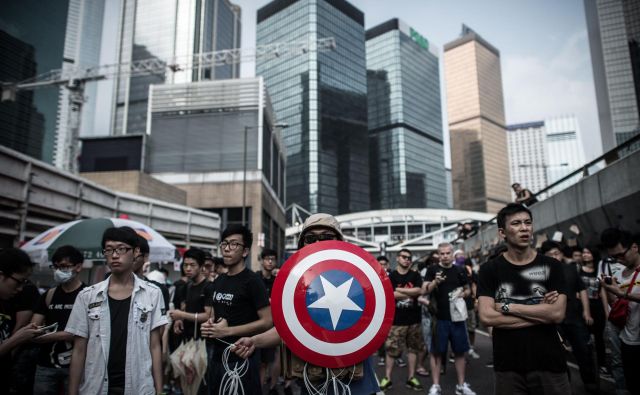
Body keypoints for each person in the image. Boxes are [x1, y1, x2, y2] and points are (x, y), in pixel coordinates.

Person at [231, 213, 381, 395]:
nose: (319, 242)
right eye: (311, 238)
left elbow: (377, 319)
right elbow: (287, 330)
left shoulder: (358, 274)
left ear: (339, 241)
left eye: (326, 237)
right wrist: (254, 341)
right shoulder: (297, 282)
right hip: (313, 382)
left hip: (354, 383)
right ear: (302, 244)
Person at [478, 203, 569, 395]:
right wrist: (541, 311)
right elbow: (486, 317)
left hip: (550, 362)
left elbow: (557, 314)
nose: (524, 228)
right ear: (502, 232)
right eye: (517, 223)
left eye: (528, 222)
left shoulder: (552, 266)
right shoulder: (490, 269)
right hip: (508, 366)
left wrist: (505, 306)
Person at [66, 226, 167, 394]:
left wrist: (158, 389)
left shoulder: (152, 294)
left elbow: (155, 345)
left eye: (121, 249)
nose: (114, 255)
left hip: (138, 385)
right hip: (96, 386)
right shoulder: (87, 296)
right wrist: (72, 391)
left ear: (135, 252)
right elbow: (78, 349)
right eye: (109, 250)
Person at [200, 224, 272, 394]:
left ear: (245, 251)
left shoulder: (252, 281)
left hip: (242, 358)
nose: (227, 249)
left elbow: (268, 321)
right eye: (224, 244)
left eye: (234, 244)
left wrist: (228, 331)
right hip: (217, 356)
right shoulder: (219, 281)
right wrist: (209, 326)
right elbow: (217, 315)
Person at [540, 241, 598, 393]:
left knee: (584, 351)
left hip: (575, 317)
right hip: (554, 321)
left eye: (557, 253)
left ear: (561, 253)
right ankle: (565, 386)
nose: (555, 256)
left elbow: (582, 290)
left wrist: (586, 311)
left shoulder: (570, 269)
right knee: (558, 356)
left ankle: (590, 382)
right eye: (550, 255)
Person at [31, 245, 86, 395]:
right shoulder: (49, 295)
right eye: (55, 267)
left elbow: (88, 332)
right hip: (45, 365)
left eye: (63, 266)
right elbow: (33, 328)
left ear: (78, 267)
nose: (58, 271)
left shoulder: (88, 295)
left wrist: (53, 335)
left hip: (77, 366)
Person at [424, 243, 475, 395]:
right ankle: (435, 385)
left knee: (460, 352)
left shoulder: (460, 270)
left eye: (447, 253)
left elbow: (468, 290)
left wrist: (462, 294)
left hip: (457, 318)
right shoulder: (432, 270)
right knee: (437, 352)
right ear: (438, 255)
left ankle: (461, 385)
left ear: (452, 254)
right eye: (442, 253)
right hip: (439, 318)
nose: (445, 256)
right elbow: (423, 289)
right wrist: (435, 282)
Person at [600, 229, 640, 394]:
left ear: (634, 247)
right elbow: (615, 303)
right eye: (614, 257)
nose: (618, 260)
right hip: (628, 339)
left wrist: (622, 293)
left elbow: (624, 296)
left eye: (621, 255)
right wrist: (609, 290)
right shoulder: (618, 273)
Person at [379, 249, 424, 391]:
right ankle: (387, 378)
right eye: (404, 257)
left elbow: (419, 291)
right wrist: (410, 292)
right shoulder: (391, 276)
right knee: (391, 350)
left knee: (413, 350)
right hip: (396, 321)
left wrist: (400, 291)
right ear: (398, 258)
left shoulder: (415, 275)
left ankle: (411, 378)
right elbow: (390, 295)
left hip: (414, 320)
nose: (407, 260)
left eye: (409, 258)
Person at [0, 248, 43, 391]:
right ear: (1, 276)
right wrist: (17, 338)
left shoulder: (5, 302)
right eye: (19, 281)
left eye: (25, 282)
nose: (20, 289)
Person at [579, 246, 608, 374]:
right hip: (584, 306)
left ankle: (602, 365)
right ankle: (589, 366)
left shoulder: (599, 269)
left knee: (599, 338)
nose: (585, 255)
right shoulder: (578, 270)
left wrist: (607, 310)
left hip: (598, 306)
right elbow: (577, 291)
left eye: (588, 252)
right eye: (583, 252)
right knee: (586, 339)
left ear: (593, 254)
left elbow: (603, 291)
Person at [257, 248, 282, 395]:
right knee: (260, 360)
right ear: (262, 260)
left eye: (273, 259)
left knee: (273, 357)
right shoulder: (255, 278)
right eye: (267, 259)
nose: (270, 262)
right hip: (258, 322)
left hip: (276, 322)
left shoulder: (279, 278)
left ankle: (272, 387)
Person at [464, 260, 480, 359]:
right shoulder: (457, 272)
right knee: (460, 329)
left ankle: (471, 347)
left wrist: (476, 302)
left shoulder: (473, 275)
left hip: (470, 305)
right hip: (459, 306)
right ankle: (458, 350)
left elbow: (476, 287)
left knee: (471, 328)